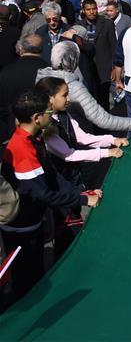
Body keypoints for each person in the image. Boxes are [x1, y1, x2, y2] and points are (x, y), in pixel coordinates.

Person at [0, 88, 101, 308]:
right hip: (22, 231)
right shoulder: (24, 151)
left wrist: (80, 194)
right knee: (27, 282)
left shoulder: (32, 139)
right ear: (37, 118)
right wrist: (83, 201)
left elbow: (52, 177)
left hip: (33, 223)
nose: (51, 114)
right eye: (48, 111)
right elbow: (43, 193)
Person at [37, 41, 131, 135]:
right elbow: (104, 120)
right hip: (74, 143)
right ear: (73, 59)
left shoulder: (42, 77)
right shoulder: (71, 86)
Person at [35, 77, 127, 190]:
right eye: (64, 95)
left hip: (74, 175)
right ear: (50, 99)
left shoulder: (63, 114)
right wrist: (107, 152)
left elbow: (82, 137)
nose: (68, 98)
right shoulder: (46, 127)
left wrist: (112, 140)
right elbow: (69, 155)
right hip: (61, 183)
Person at [0, 35, 48, 137]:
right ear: (42, 49)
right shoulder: (49, 71)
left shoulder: (6, 72)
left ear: (21, 49)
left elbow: (2, 106)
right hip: (44, 130)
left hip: (14, 131)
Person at [77, 0, 117, 110]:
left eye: (94, 9)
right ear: (84, 11)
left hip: (103, 69)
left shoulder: (107, 24)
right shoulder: (78, 26)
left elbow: (113, 46)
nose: (91, 12)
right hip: (86, 69)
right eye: (88, 9)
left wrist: (114, 67)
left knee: (103, 100)